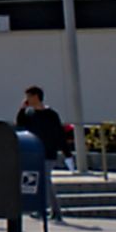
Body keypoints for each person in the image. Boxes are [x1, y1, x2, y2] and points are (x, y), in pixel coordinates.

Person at [17, 85, 67, 220]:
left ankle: (48, 210)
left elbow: (59, 134)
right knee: (43, 181)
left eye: (28, 96)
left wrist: (67, 153)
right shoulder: (29, 113)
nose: (26, 99)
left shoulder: (51, 114)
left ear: (35, 97)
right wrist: (22, 109)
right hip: (34, 152)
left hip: (48, 152)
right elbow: (20, 125)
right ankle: (50, 210)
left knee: (45, 180)